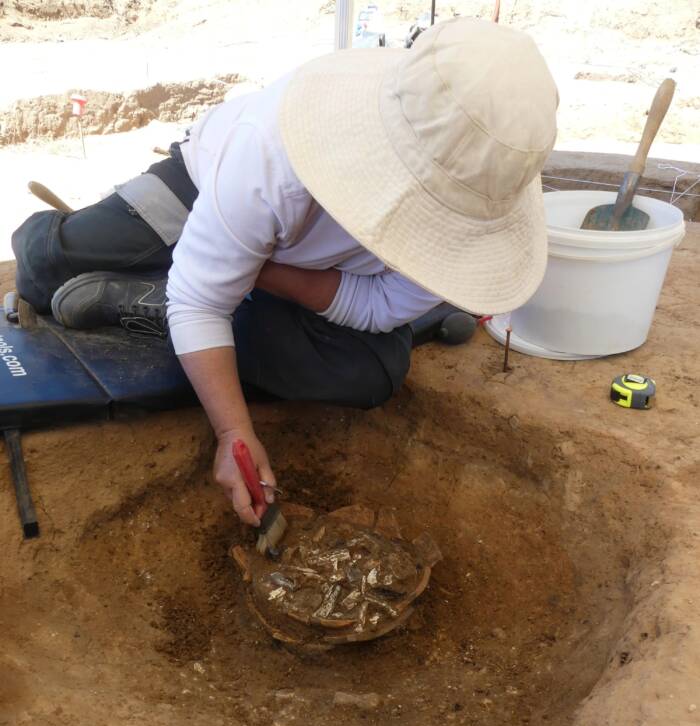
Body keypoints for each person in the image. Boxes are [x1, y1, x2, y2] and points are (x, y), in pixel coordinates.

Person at [11, 17, 558, 528]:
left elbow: (379, 308)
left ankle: (156, 297)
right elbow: (201, 303)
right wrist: (234, 433)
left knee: (373, 371)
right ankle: (163, 271)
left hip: (285, 270)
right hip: (201, 188)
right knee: (43, 273)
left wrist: (257, 269)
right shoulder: (269, 152)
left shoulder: (480, 199)